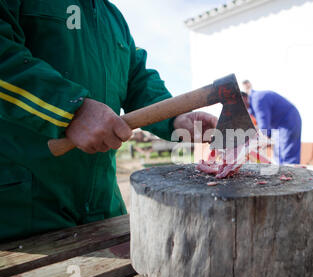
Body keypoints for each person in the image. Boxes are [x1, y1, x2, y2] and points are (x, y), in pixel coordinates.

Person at [0, 0, 217, 242]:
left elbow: (138, 80)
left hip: (104, 213)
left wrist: (176, 118)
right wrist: (70, 108)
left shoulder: (113, 18)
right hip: (23, 217)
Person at [241, 80, 302, 164]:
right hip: (278, 126)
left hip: (288, 121)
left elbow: (263, 123)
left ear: (243, 98)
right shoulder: (251, 106)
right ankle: (283, 174)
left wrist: (261, 139)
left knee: (287, 153)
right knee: (278, 154)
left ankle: (291, 174)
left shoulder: (257, 99)